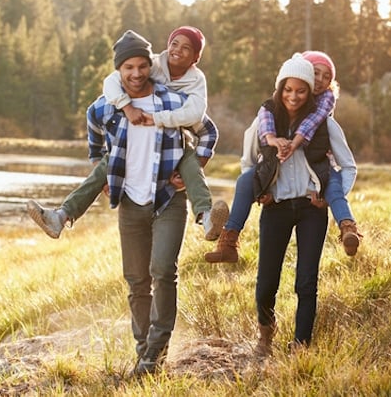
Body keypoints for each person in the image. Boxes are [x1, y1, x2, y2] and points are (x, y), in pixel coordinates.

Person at [83, 30, 219, 376]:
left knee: (163, 271)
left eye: (142, 66)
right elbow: (93, 125)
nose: (137, 73)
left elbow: (207, 129)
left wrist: (193, 166)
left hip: (167, 198)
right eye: (128, 67)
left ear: (150, 67)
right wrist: (101, 166)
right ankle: (144, 353)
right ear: (119, 70)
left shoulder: (172, 100)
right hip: (130, 200)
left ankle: (155, 354)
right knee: (136, 280)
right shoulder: (110, 104)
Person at [26, 26, 228, 241]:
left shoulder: (196, 82)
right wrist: (127, 107)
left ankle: (206, 217)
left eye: (186, 48)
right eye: (174, 43)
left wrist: (193, 163)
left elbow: (198, 115)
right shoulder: (152, 64)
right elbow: (111, 82)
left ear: (196, 57)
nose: (177, 50)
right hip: (133, 141)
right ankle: (60, 217)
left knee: (190, 163)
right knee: (106, 165)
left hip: (175, 141)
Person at [204, 50, 362, 263]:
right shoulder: (271, 108)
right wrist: (262, 186)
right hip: (277, 177)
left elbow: (314, 125)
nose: (321, 81)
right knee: (244, 181)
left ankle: (348, 228)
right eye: (316, 73)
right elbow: (253, 146)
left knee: (333, 185)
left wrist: (294, 143)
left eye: (327, 77)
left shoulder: (324, 107)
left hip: (318, 168)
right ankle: (229, 239)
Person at [246, 54, 356, 355]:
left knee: (306, 281)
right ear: (281, 88)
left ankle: (301, 345)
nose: (294, 95)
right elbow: (248, 162)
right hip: (276, 207)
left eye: (303, 89)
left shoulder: (325, 125)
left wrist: (328, 195)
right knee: (267, 280)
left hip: (311, 210)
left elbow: (348, 166)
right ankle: (265, 336)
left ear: (310, 90)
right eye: (288, 89)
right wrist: (260, 192)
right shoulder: (266, 120)